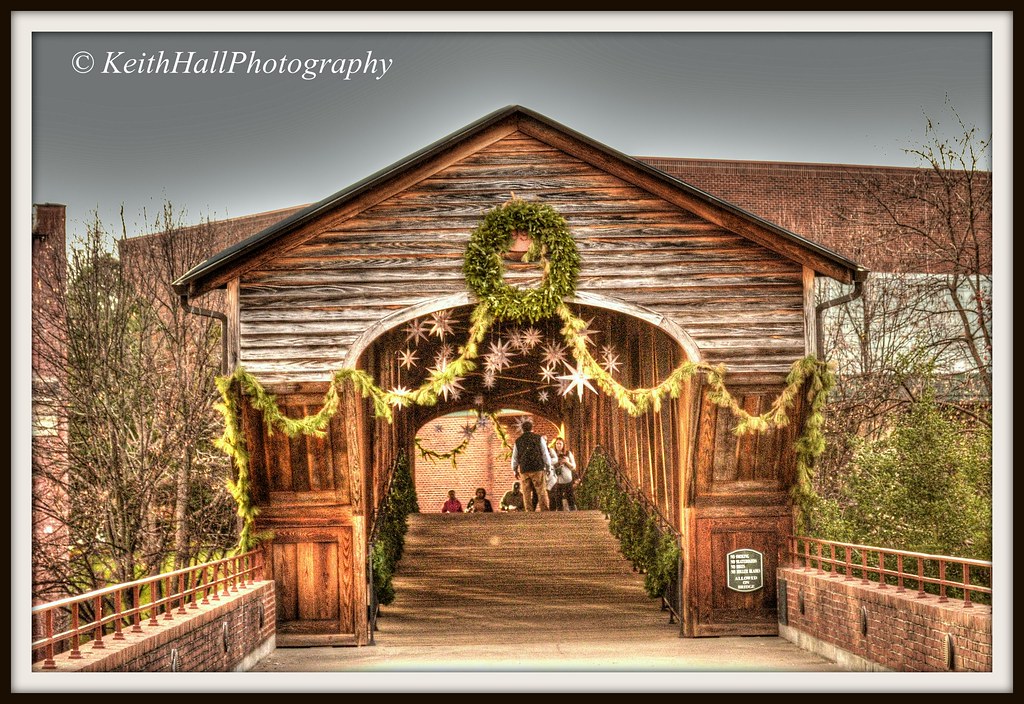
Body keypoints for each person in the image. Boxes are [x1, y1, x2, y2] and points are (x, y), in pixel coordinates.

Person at [511, 419, 552, 511]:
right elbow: (545, 453)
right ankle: (544, 510)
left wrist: (514, 469)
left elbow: (515, 457)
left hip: (524, 469)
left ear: (522, 429)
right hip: (538, 467)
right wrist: (548, 466)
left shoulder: (518, 441)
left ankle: (529, 511)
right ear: (531, 428)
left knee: (526, 492)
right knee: (541, 490)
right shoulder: (539, 438)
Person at [549, 436, 578, 511]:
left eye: (560, 444)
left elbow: (573, 467)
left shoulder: (568, 453)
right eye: (557, 443)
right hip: (557, 480)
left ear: (563, 445)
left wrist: (566, 462)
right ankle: (559, 515)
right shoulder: (553, 455)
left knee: (570, 498)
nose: (558, 445)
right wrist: (557, 463)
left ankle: (574, 514)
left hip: (567, 479)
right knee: (558, 499)